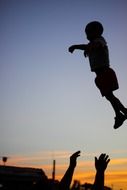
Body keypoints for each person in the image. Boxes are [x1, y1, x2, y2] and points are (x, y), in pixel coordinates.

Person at [68, 21, 127, 129]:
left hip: (105, 73)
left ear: (97, 32)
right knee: (110, 97)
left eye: (88, 32)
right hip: (100, 76)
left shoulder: (100, 40)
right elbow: (87, 46)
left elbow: (97, 45)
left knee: (110, 97)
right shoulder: (91, 44)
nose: (87, 35)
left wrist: (82, 47)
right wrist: (76, 47)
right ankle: (121, 114)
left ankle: (121, 114)